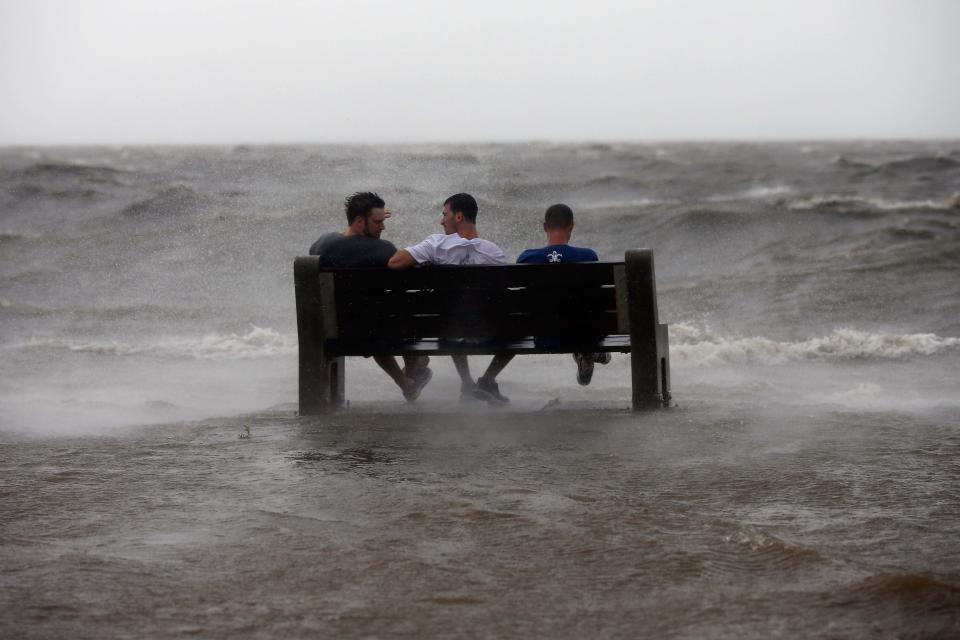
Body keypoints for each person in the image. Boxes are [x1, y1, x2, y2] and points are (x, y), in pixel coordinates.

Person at [475, 203, 611, 393]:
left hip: (544, 337)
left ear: (545, 227)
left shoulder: (527, 259)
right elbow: (597, 301)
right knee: (583, 317)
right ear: (571, 226)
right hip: (581, 333)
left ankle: (590, 352)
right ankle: (590, 351)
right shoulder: (588, 256)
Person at [388, 193, 509, 404]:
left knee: (452, 317)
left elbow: (395, 263)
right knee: (463, 314)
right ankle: (487, 379)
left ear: (459, 217)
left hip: (448, 331)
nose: (441, 220)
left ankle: (467, 381)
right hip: (490, 332)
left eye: (445, 214)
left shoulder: (436, 245)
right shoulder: (495, 254)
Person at [309, 191, 432, 401]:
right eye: (377, 222)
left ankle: (406, 382)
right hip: (374, 332)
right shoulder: (383, 250)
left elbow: (341, 245)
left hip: (337, 332)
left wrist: (371, 220)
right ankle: (413, 366)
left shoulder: (323, 244)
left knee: (371, 318)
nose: (383, 227)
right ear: (359, 221)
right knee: (398, 313)